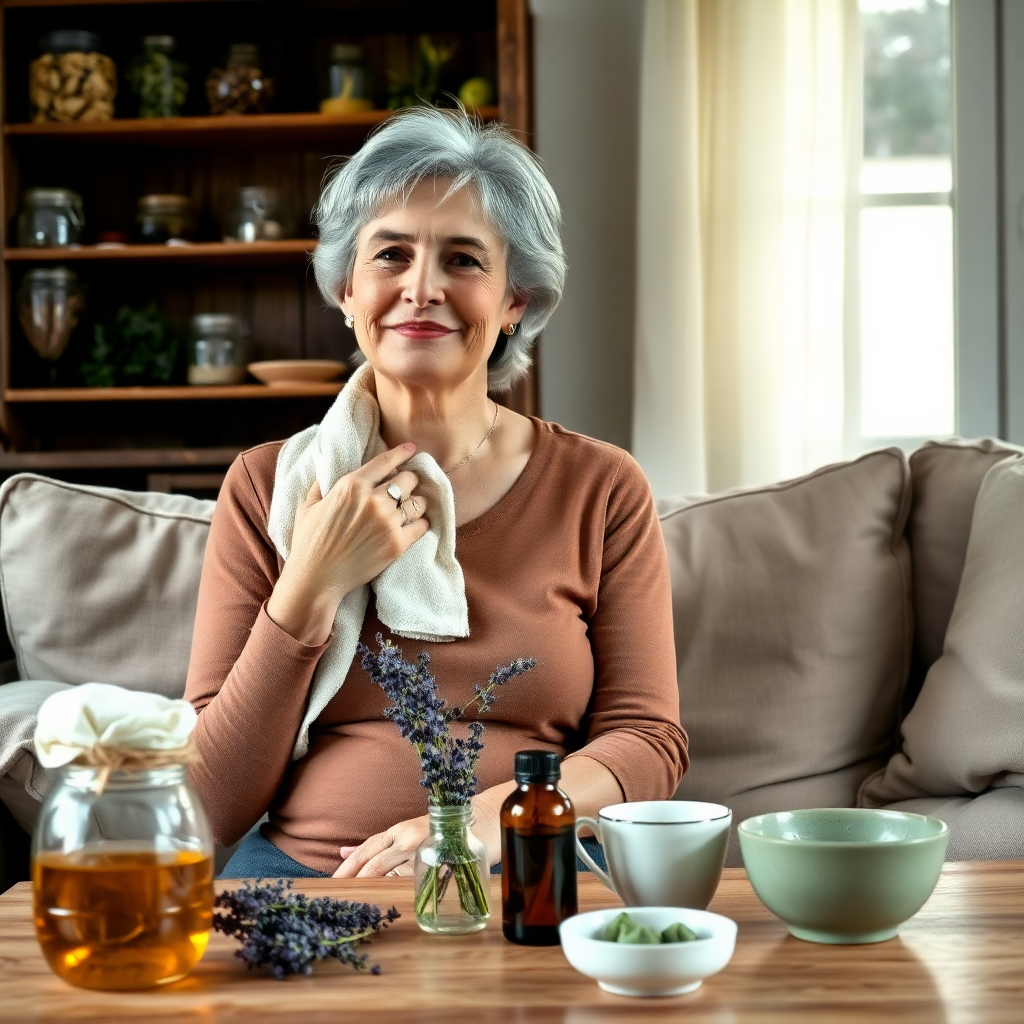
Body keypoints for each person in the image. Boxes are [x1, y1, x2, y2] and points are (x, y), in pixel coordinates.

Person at [185, 107, 688, 880]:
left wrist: (484, 822)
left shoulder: (601, 488)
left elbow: (648, 744)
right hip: (304, 885)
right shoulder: (265, 486)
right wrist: (310, 581)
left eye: (463, 259)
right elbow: (209, 801)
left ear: (515, 300)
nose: (421, 288)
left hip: (522, 873)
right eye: (391, 254)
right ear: (346, 288)